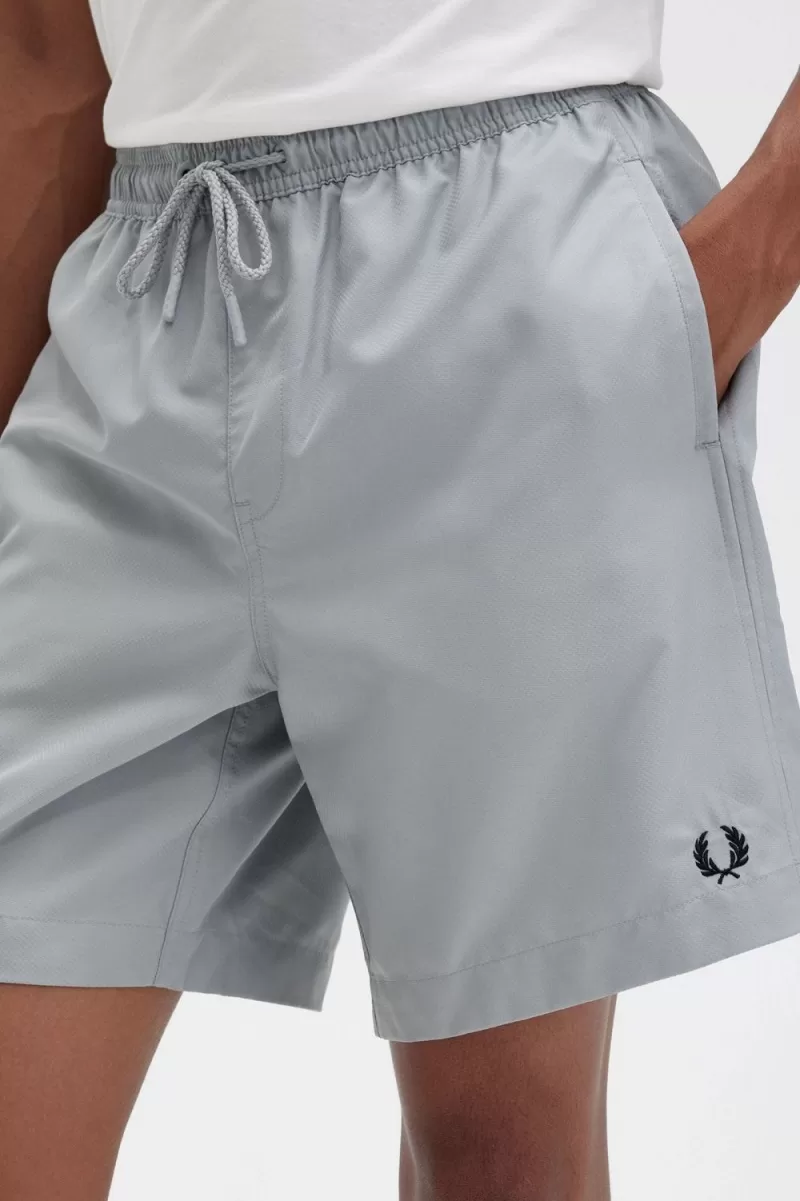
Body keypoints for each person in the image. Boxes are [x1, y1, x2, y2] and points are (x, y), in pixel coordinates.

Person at [2, 2, 800, 1197]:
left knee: (497, 1150)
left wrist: (742, 263)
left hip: (501, 261)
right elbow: (40, 45)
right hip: (139, 293)